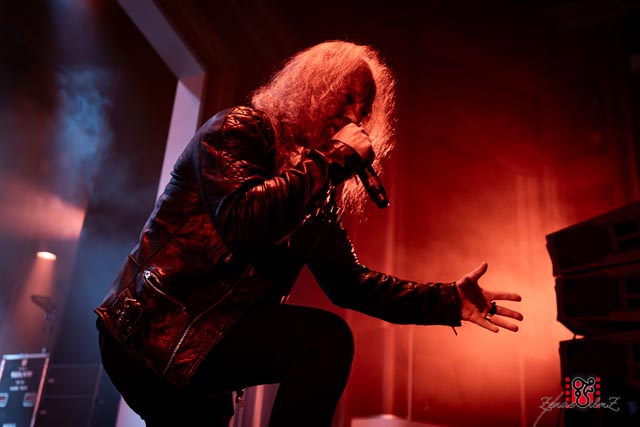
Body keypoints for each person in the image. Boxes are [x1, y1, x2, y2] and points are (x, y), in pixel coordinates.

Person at [95, 40, 523, 427]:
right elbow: (244, 223)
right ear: (313, 88)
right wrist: (332, 158)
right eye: (347, 98)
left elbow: (351, 285)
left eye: (364, 110)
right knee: (323, 339)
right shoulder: (238, 130)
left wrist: (448, 300)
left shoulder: (312, 188)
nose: (354, 116)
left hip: (201, 347)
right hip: (152, 330)